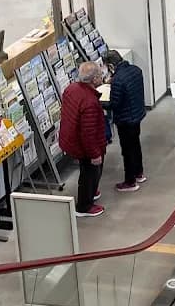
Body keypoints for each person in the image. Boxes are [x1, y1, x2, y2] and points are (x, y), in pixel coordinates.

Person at [59, 61, 106, 217]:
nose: (102, 76)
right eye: (99, 74)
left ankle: (91, 191)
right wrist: (95, 154)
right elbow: (88, 133)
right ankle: (84, 206)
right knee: (91, 172)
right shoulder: (90, 102)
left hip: (71, 139)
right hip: (84, 145)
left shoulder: (71, 89)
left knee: (87, 171)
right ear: (94, 79)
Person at [103, 50, 147, 193]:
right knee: (136, 145)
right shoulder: (135, 70)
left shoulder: (118, 80)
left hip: (125, 119)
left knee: (127, 151)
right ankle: (139, 173)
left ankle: (130, 181)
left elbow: (114, 104)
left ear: (110, 65)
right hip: (137, 114)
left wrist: (100, 102)